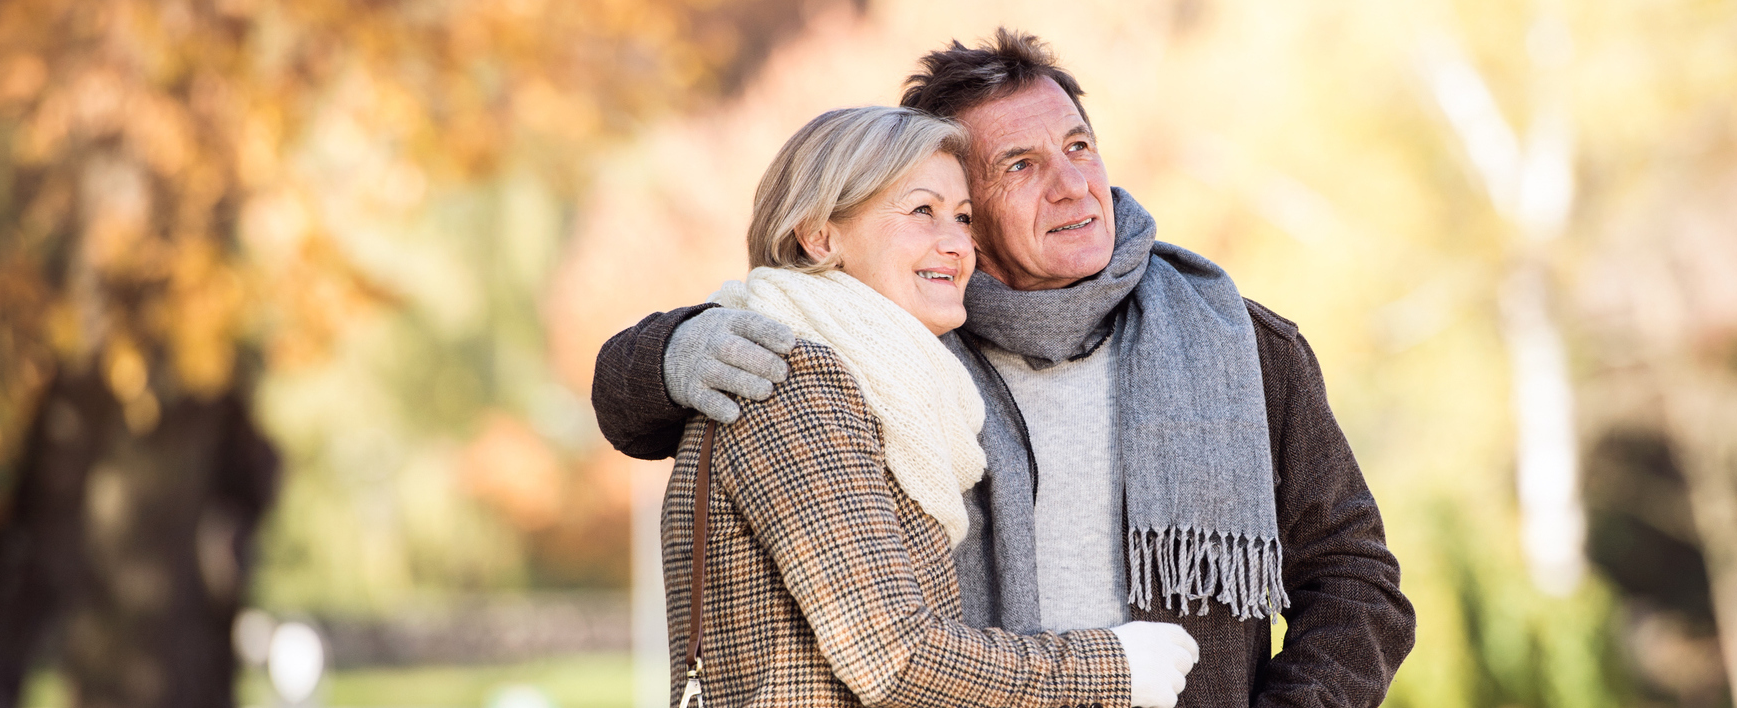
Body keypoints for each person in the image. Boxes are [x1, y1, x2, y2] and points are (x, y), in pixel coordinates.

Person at [595, 32, 1416, 708]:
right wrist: (672, 348)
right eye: (1018, 166)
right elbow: (644, 403)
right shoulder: (892, 342)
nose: (1072, 187)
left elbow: (1355, 580)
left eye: (1078, 147)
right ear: (966, 206)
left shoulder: (1240, 344)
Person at [647, 105, 1198, 708]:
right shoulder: (793, 380)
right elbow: (893, 655)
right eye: (921, 211)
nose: (957, 244)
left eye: (963, 218)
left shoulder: (879, 378)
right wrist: (1111, 667)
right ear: (819, 235)